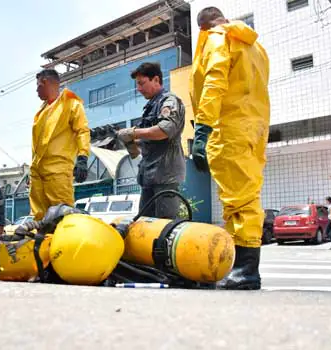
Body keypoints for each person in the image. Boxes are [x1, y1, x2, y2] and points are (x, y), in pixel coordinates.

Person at [189, 7, 270, 290]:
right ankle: (242, 268)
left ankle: (246, 272)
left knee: (239, 201)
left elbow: (214, 82)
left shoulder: (216, 39)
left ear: (203, 29)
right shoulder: (254, 46)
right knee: (246, 196)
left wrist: (202, 129)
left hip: (230, 127)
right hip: (253, 128)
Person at [116, 62, 186, 219]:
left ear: (156, 79)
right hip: (150, 176)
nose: (138, 89)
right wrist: (131, 141)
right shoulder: (151, 106)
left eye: (141, 83)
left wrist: (133, 133)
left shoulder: (169, 101)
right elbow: (151, 139)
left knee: (164, 228)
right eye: (137, 85)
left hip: (165, 175)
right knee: (145, 226)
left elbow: (164, 130)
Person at [30, 69, 90, 221]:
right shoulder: (42, 111)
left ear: (46, 83)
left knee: (61, 214)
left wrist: (83, 157)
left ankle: (63, 244)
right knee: (39, 217)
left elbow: (82, 131)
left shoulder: (71, 104)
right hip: (38, 170)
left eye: (38, 86)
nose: (36, 90)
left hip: (58, 169)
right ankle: (41, 243)